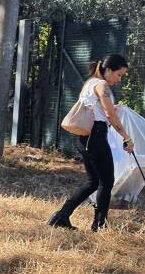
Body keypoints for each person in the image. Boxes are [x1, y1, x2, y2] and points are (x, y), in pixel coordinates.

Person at [48, 54, 134, 232]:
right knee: (106, 181)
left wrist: (113, 108)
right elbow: (110, 115)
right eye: (119, 74)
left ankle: (61, 216)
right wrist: (126, 137)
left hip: (86, 138)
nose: (119, 79)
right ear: (108, 70)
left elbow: (100, 109)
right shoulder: (102, 85)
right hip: (96, 137)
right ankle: (99, 226)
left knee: (94, 181)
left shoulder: (90, 83)